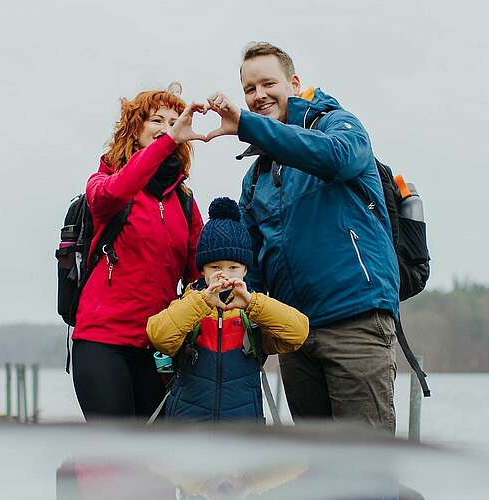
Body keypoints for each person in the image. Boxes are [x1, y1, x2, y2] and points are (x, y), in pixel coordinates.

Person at [203, 42, 402, 430]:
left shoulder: (339, 126)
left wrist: (245, 123)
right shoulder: (255, 178)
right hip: (295, 334)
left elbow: (333, 157)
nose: (259, 96)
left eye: (268, 84)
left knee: (365, 473)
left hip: (356, 323)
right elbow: (253, 263)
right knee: (318, 473)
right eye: (249, 90)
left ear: (293, 83)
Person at [72, 84, 212, 420]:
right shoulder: (102, 183)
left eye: (175, 121)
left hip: (158, 347)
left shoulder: (185, 201)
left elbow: (200, 273)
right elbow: (119, 188)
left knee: (155, 464)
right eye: (157, 120)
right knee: (114, 459)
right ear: (135, 129)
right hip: (102, 342)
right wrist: (168, 142)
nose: (167, 127)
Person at [145, 197, 308, 422]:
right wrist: (203, 301)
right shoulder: (191, 304)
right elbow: (158, 335)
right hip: (186, 432)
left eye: (233, 267)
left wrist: (252, 303)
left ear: (244, 270)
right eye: (215, 267)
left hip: (242, 433)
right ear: (202, 270)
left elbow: (298, 332)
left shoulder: (254, 311)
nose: (225, 273)